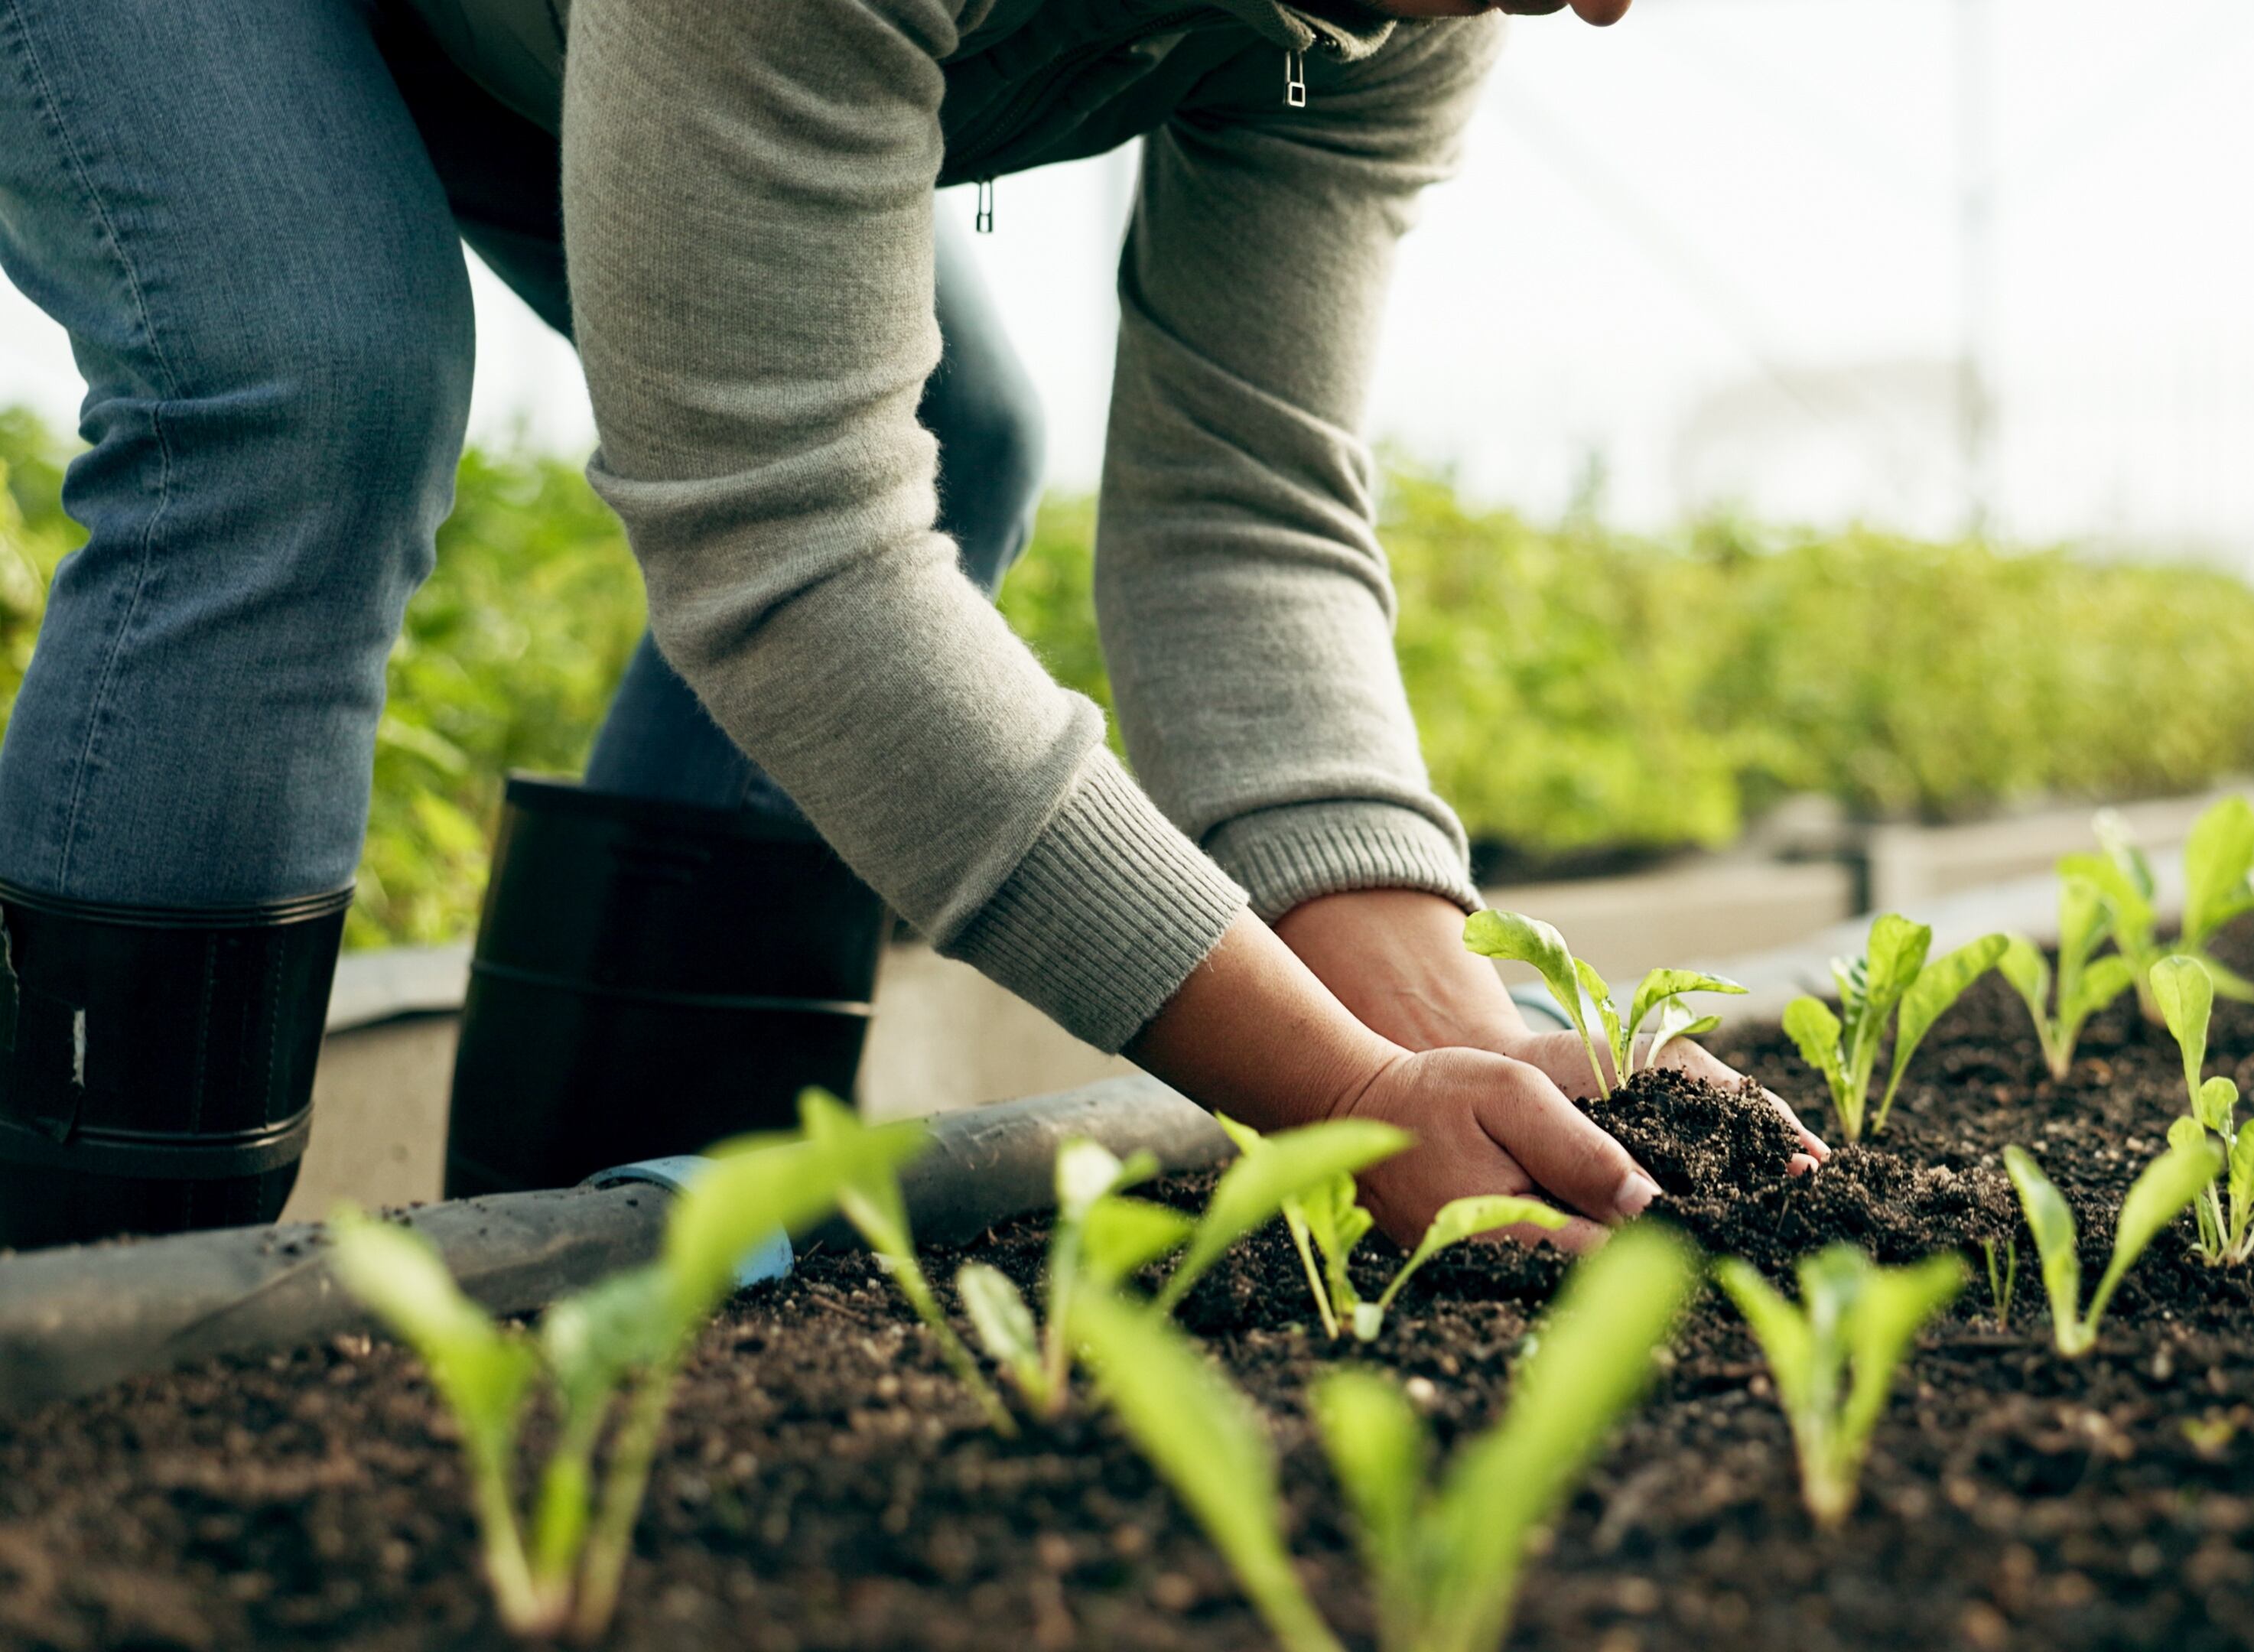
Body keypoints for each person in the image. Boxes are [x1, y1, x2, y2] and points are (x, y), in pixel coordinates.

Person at [0, 0, 1818, 1250]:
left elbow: (1245, 510)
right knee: (308, 374)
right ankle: (97, 1328)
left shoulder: (1386, 24)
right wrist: (1336, 1084)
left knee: (957, 437)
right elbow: (790, 552)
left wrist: (1446, 1024)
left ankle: (600, 1259)